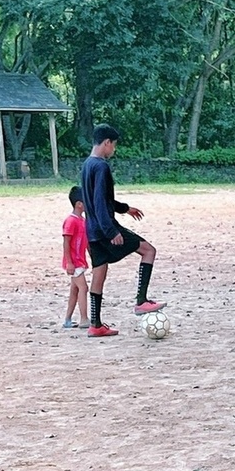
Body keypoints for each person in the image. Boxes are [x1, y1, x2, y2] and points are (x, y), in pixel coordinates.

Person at [79, 124, 165, 337]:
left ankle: (95, 324)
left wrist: (125, 209)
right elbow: (99, 202)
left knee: (99, 272)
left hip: (91, 231)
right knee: (148, 251)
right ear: (107, 142)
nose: (114, 150)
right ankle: (141, 301)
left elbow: (99, 199)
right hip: (105, 228)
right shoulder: (101, 166)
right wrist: (111, 231)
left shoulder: (86, 165)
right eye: (114, 145)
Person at [61, 185, 89, 328]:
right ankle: (84, 318)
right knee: (83, 288)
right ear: (79, 204)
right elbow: (66, 243)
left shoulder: (83, 221)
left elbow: (86, 242)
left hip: (80, 261)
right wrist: (69, 263)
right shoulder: (71, 221)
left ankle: (67, 319)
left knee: (75, 290)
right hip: (75, 262)